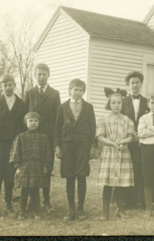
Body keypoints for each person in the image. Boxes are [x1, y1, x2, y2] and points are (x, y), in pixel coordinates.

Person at [54, 79, 97, 221]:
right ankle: (71, 209)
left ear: (84, 92)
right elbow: (56, 128)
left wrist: (93, 146)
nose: (78, 93)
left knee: (81, 175)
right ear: (69, 90)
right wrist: (58, 146)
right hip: (67, 145)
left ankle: (81, 209)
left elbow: (92, 128)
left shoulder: (89, 107)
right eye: (75, 90)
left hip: (83, 145)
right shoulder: (62, 107)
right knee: (70, 176)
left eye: (81, 90)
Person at [0, 74, 27, 219]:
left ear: (14, 85)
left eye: (10, 84)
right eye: (4, 85)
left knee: (10, 176)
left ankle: (9, 204)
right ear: (1, 86)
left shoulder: (21, 103)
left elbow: (23, 125)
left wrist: (21, 143)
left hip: (14, 144)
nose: (8, 88)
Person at [24, 63, 61, 212]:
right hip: (31, 137)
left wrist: (55, 140)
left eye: (44, 74)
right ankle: (32, 200)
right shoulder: (29, 93)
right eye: (38, 74)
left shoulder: (54, 93)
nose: (41, 77)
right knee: (32, 168)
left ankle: (46, 201)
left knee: (46, 169)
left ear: (48, 75)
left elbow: (58, 118)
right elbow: (25, 115)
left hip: (47, 138)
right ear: (35, 75)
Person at [96, 88, 135, 220]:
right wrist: (112, 143)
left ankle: (120, 209)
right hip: (109, 153)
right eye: (114, 103)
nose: (117, 105)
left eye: (119, 103)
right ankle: (105, 211)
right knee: (107, 183)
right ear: (109, 104)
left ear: (122, 104)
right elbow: (100, 137)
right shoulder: (103, 120)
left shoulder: (127, 120)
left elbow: (131, 136)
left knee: (121, 183)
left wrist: (123, 142)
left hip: (123, 152)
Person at [10, 112, 52, 220]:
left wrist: (46, 166)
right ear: (26, 123)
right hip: (25, 166)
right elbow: (16, 152)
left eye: (36, 121)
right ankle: (22, 212)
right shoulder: (21, 137)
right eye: (31, 121)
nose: (33, 123)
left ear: (39, 123)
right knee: (25, 189)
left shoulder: (43, 137)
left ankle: (36, 211)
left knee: (35, 190)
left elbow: (48, 153)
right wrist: (18, 167)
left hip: (38, 166)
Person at [121, 71, 150, 209]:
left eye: (137, 82)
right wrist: (130, 134)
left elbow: (150, 120)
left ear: (141, 84)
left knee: (141, 168)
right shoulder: (123, 101)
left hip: (142, 140)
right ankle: (128, 200)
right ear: (128, 84)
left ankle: (142, 200)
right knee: (128, 169)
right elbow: (120, 120)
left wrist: (141, 133)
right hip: (128, 140)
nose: (135, 85)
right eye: (132, 83)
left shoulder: (147, 101)